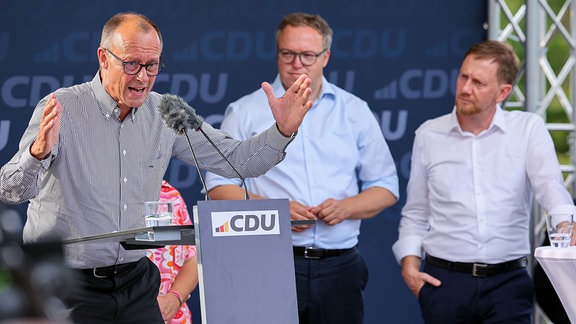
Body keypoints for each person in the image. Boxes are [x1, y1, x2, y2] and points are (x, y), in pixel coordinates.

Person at [0, 12, 313, 324]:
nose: (142, 77)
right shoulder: (62, 108)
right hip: (67, 288)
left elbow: (237, 160)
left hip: (135, 284)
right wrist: (36, 153)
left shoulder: (167, 113)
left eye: (152, 66)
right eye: (131, 64)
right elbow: (10, 191)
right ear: (103, 58)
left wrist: (282, 131)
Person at [204, 12, 399, 324]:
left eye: (307, 55)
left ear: (325, 57)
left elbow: (387, 186)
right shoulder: (244, 112)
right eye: (288, 54)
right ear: (278, 53)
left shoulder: (354, 111)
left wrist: (347, 207)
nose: (297, 63)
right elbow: (218, 189)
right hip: (268, 261)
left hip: (341, 265)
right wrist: (274, 211)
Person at [392, 39, 576, 323]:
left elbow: (551, 188)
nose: (465, 88)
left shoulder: (527, 129)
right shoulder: (429, 134)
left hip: (508, 284)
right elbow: (416, 211)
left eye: (478, 82)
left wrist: (567, 226)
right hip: (444, 284)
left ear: (503, 92)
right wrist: (409, 266)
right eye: (463, 77)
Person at [147, 181, 197, 324]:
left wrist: (174, 298)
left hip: (173, 317)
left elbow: (193, 258)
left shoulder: (171, 194)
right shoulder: (103, 196)